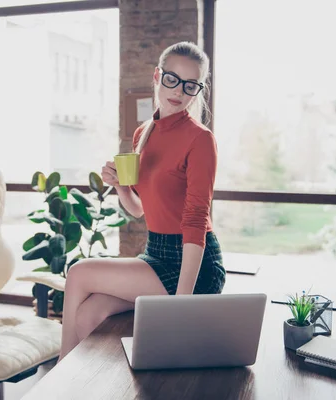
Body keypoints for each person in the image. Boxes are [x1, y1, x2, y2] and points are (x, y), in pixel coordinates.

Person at [58, 41, 226, 362]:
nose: (179, 91)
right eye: (172, 79)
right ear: (157, 76)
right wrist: (122, 188)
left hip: (193, 264)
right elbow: (140, 210)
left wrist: (181, 304)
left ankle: (55, 382)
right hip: (156, 254)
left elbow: (194, 223)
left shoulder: (201, 139)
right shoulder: (143, 134)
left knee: (79, 273)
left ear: (198, 90)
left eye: (190, 85)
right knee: (87, 317)